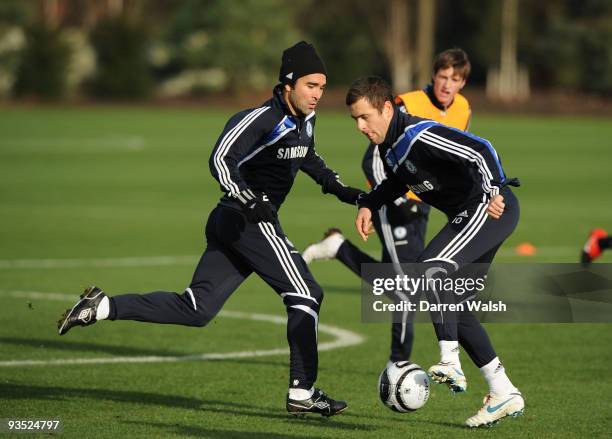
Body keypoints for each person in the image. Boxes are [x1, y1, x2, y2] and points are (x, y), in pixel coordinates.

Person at [57, 41, 365, 418]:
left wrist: (343, 190)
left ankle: (102, 306)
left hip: (234, 223)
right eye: (310, 86)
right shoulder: (261, 119)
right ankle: (303, 391)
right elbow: (220, 158)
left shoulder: (306, 120)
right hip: (246, 220)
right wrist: (249, 199)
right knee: (306, 293)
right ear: (288, 84)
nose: (318, 94)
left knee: (197, 309)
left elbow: (308, 157)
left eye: (321, 86)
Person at [348, 76, 524, 427]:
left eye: (365, 117)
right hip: (469, 215)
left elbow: (480, 148)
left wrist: (494, 189)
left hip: (488, 209)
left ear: (386, 108)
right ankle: (503, 390)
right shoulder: (390, 146)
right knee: (455, 305)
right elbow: (398, 181)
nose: (360, 126)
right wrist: (369, 204)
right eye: (355, 119)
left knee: (430, 268)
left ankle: (450, 362)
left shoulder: (419, 133)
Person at [302, 49, 472, 366]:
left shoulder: (463, 109)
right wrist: (397, 198)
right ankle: (399, 363)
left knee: (400, 285)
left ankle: (338, 248)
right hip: (393, 205)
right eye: (443, 76)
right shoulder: (406, 103)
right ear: (433, 75)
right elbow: (374, 159)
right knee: (406, 290)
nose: (447, 85)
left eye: (455, 79)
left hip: (423, 207)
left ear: (463, 83)